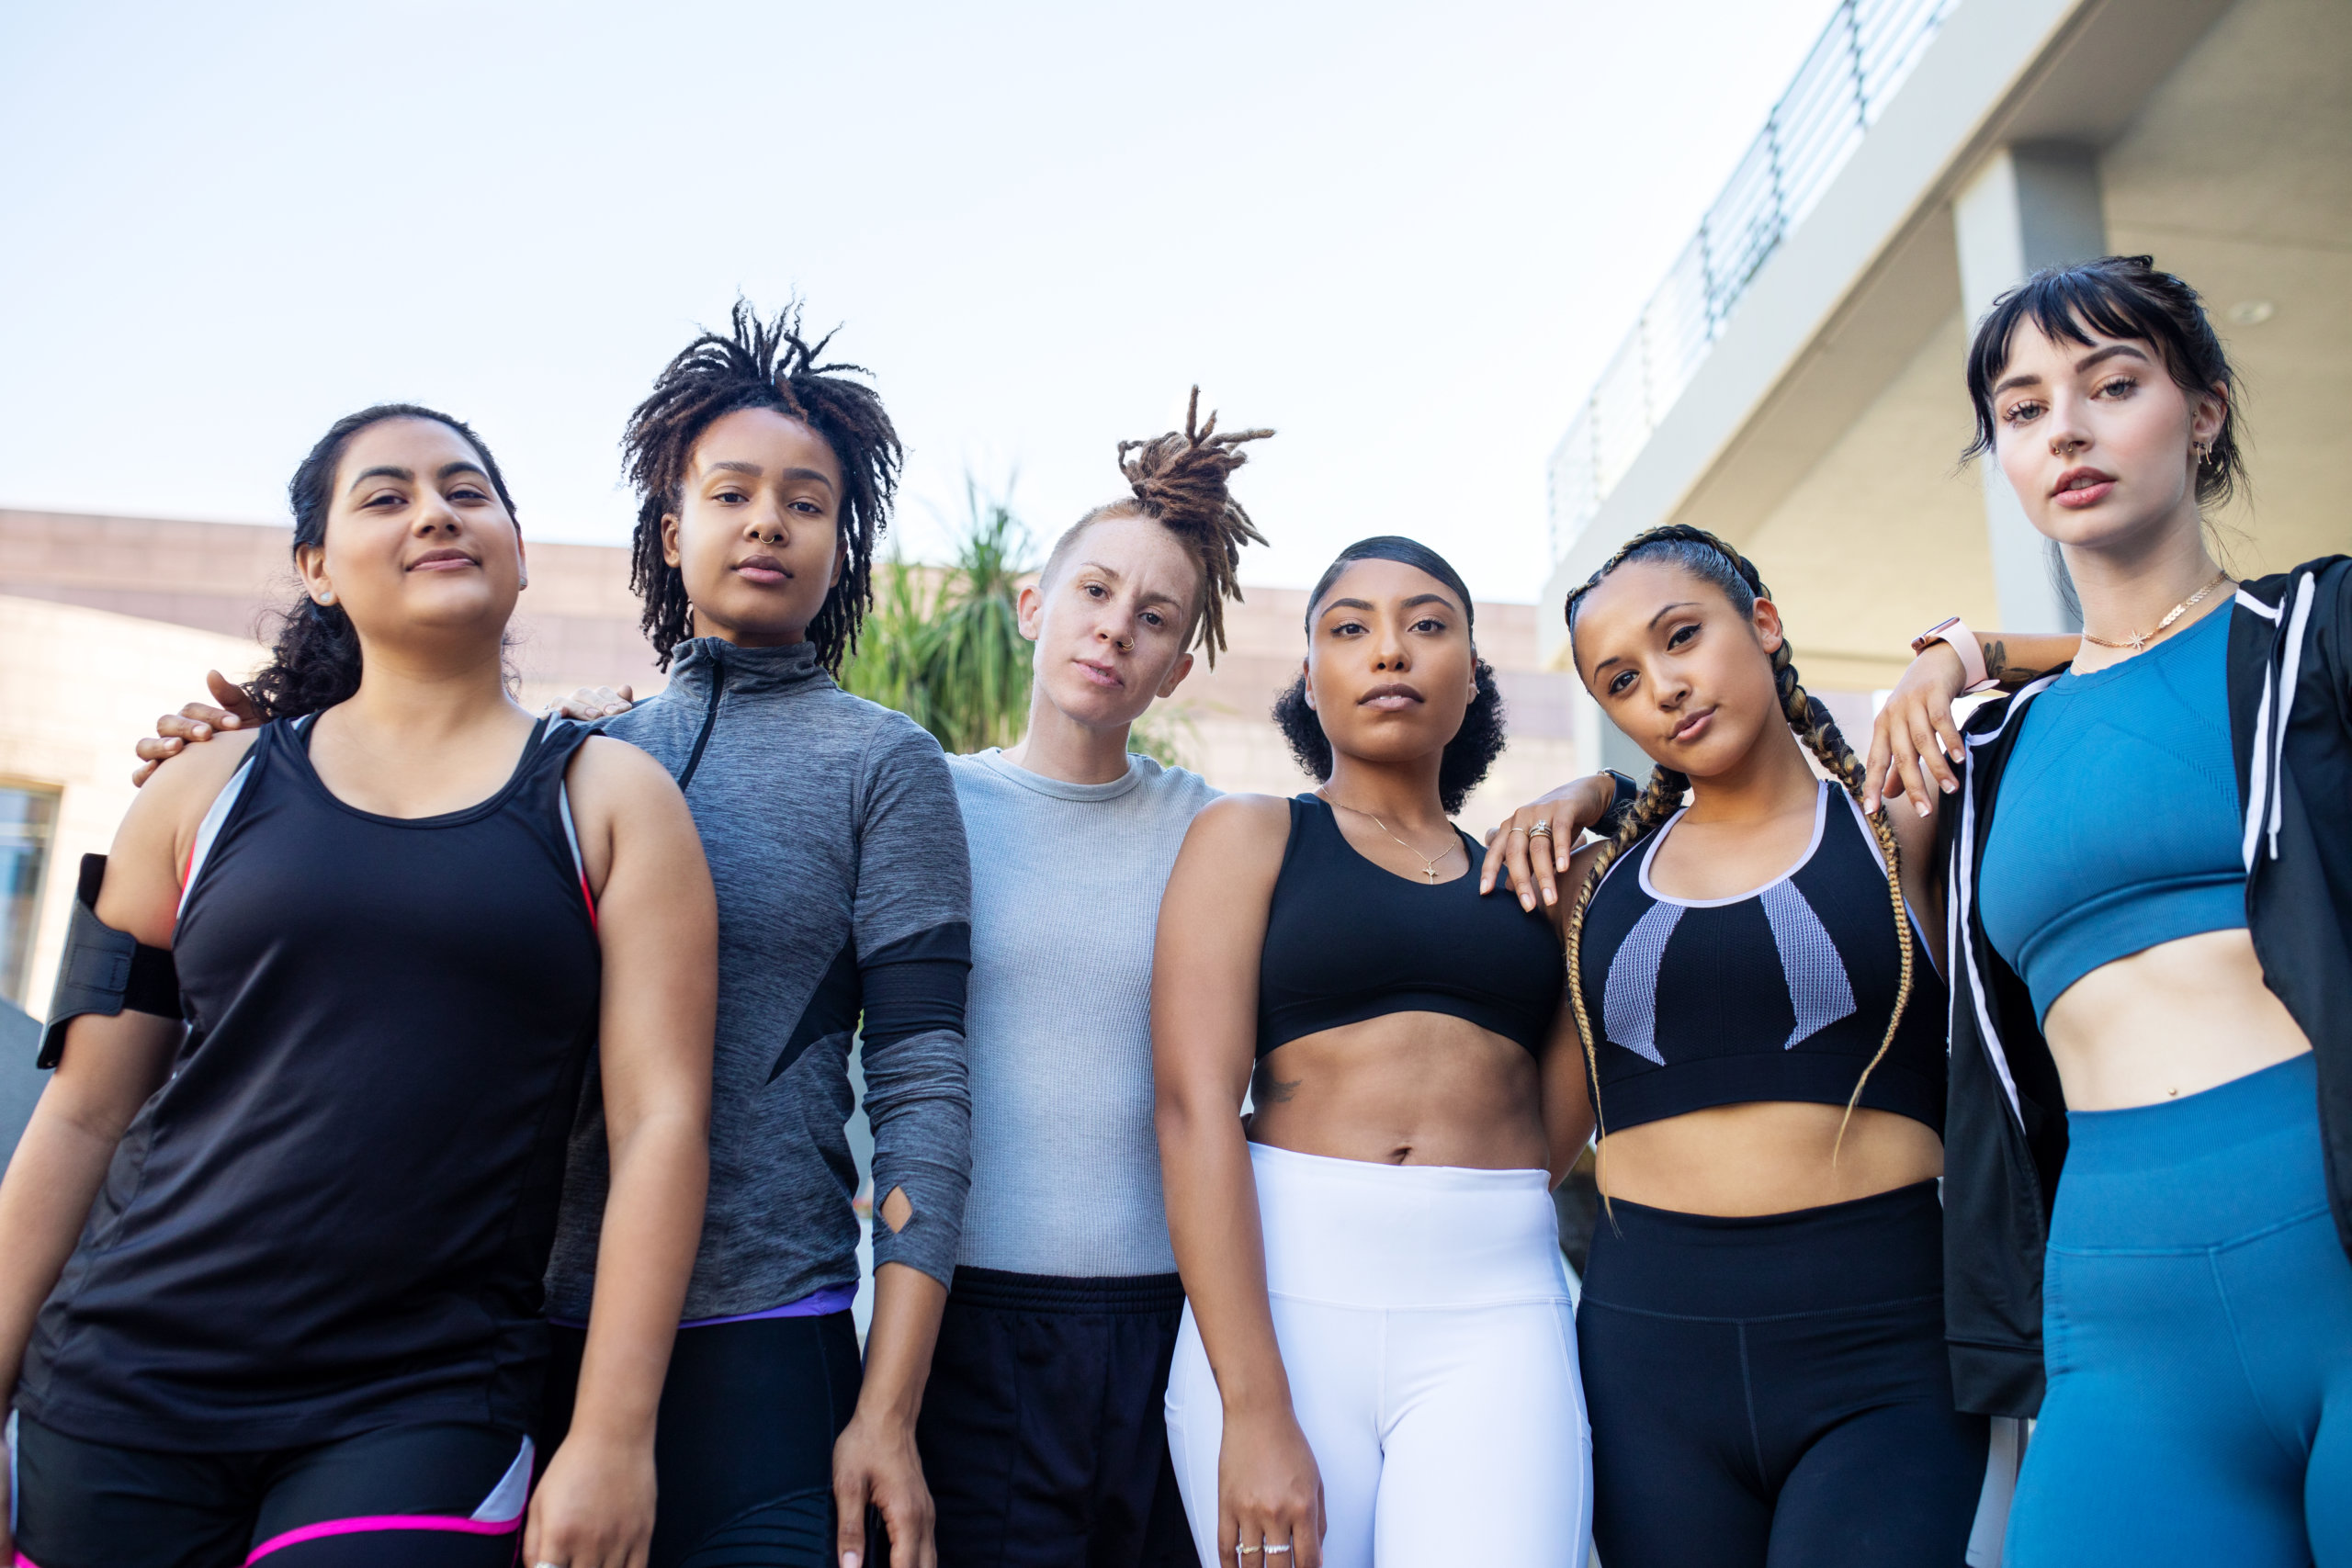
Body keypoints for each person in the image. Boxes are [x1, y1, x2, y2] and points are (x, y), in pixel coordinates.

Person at [136, 305, 976, 1568]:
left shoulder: (886, 764)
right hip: (504, 1339)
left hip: (767, 1341)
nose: (767, 521)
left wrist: (889, 1409)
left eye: (808, 501)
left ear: (841, 541)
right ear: (668, 525)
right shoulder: (568, 758)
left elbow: (922, 1085)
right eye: (732, 490)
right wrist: (216, 760)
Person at [0, 404, 715, 1568]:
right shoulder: (195, 794)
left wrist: (612, 1433)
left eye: (467, 491)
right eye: (385, 497)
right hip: (122, 1380)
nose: (436, 511)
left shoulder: (611, 800)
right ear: (317, 569)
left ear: (520, 552)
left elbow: (662, 1124)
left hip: (420, 1397)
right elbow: (83, 1112)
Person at [1862, 254, 2352, 1566]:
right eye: (2023, 411)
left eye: (2113, 383)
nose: (2065, 429)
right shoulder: (1987, 753)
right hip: (2117, 1316)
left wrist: (1965, 641)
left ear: (2204, 413)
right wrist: (1961, 655)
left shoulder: (2321, 635)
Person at [1539, 523, 1987, 1568]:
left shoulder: (1896, 816)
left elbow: (2131, 644)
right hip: (1648, 1355)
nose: (1663, 686)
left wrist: (1957, 655)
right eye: (1620, 680)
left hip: (1884, 1342)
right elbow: (1531, 1138)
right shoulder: (1591, 883)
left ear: (1765, 624)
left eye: (1682, 636)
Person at [1154, 536, 1594, 1568]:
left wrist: (1597, 795)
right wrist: (1253, 1408)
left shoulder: (1542, 882)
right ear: (1309, 676)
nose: (1388, 650)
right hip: (1286, 1305)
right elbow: (1190, 1109)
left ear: (1473, 673)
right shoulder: (1249, 836)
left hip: (1498, 1310)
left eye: (1427, 623)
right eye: (1349, 629)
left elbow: (1553, 1132)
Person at [912, 393, 1261, 1568]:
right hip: (967, 1316)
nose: (1117, 628)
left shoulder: (1216, 833)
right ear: (1033, 606)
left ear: (1172, 669)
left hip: (1172, 1324)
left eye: (1155, 618)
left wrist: (1589, 802)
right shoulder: (920, 802)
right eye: (1097, 593)